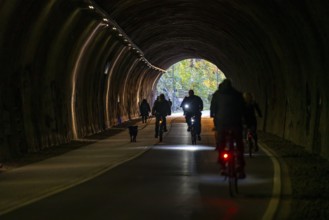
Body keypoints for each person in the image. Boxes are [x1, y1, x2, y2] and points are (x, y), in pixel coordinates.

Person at [210, 79, 246, 178]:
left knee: (221, 144)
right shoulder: (237, 94)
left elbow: (213, 109)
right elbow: (243, 109)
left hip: (222, 124)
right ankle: (240, 166)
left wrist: (214, 119)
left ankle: (222, 166)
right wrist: (244, 121)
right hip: (236, 123)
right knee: (239, 144)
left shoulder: (217, 95)